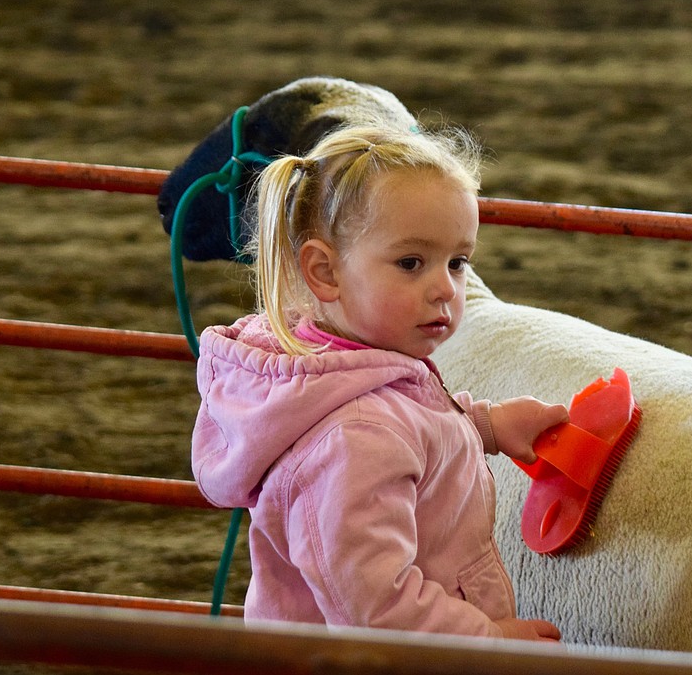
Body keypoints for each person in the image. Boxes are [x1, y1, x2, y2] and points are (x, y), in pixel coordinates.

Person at [190, 120, 565, 641]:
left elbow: (403, 429)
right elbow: (376, 607)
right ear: (325, 272)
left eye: (457, 262)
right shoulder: (357, 436)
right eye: (411, 262)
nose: (444, 289)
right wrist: (488, 643)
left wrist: (485, 426)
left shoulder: (344, 370)